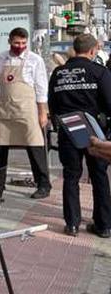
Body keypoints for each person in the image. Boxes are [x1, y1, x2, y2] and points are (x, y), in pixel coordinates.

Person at [48, 33, 111, 235]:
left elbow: (53, 104)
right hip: (95, 133)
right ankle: (104, 225)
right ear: (93, 51)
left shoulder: (59, 73)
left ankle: (72, 223)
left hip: (69, 131)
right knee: (99, 176)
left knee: (71, 176)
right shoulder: (99, 72)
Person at [0, 27, 51, 199]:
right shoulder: (1, 58)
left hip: (27, 110)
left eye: (23, 43)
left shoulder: (34, 60)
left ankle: (43, 184)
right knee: (0, 148)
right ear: (10, 41)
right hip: (5, 109)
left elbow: (41, 87)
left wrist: (42, 112)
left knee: (35, 147)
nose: (20, 46)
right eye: (17, 43)